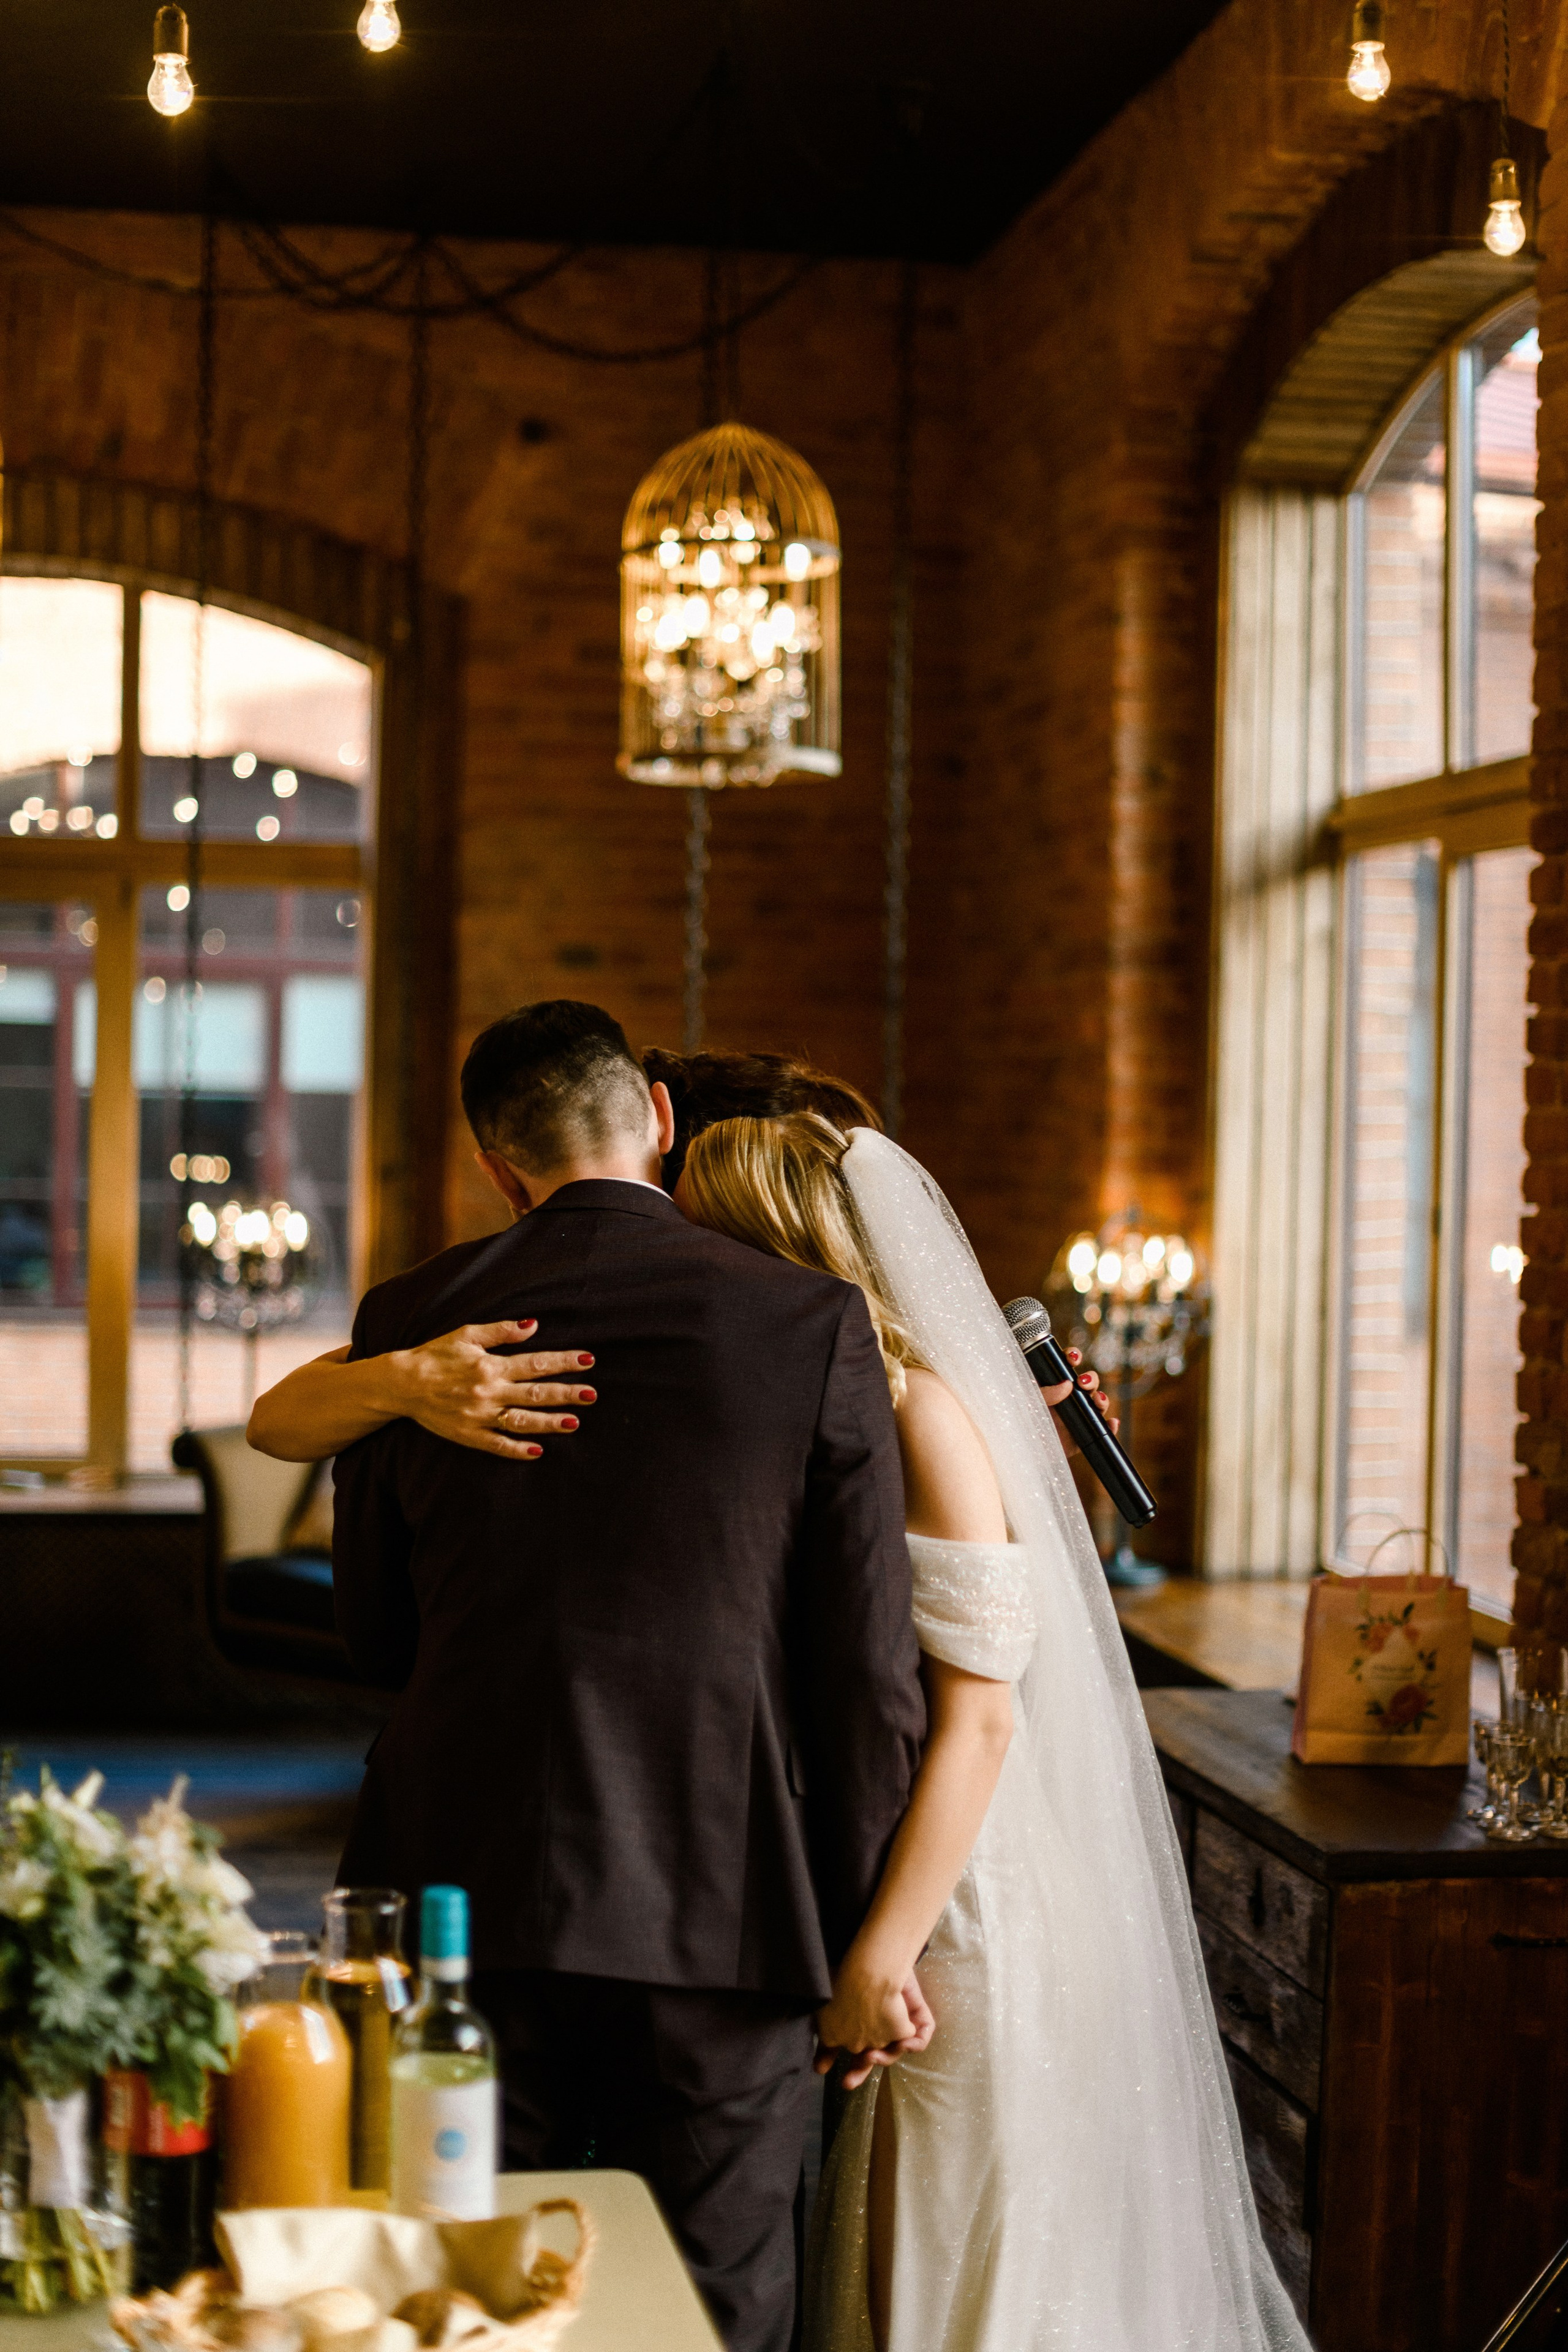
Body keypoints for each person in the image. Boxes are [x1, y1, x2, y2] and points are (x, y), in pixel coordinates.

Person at [327, 1003, 926, 2352]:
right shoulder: (808, 1325)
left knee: (461, 2293)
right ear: (658, 1117)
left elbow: (370, 1635)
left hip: (456, 1888)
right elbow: (866, 1679)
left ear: (497, 1165)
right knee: (711, 2309)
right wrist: (852, 1933)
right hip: (723, 1905)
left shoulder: (407, 1322)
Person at [676, 1113, 1310, 2352]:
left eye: (711, 1241)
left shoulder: (918, 1410)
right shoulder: (850, 1394)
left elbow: (980, 1719)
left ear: (773, 1247)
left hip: (971, 1915)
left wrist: (880, 1956)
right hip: (924, 1893)